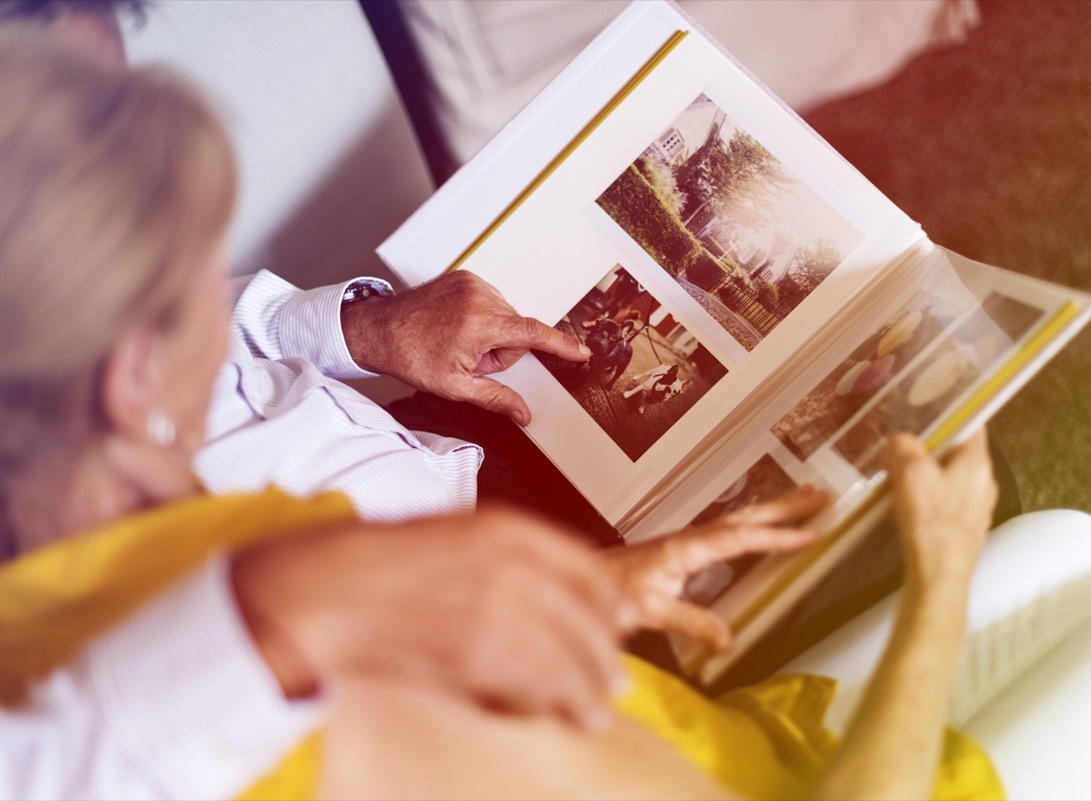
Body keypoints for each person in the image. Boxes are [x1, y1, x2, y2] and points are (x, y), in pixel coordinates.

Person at [0, 29, 996, 800]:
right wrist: (943, 582)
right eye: (187, 293)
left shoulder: (181, 606)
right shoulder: (289, 595)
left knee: (1052, 557)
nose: (223, 317)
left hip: (578, 648)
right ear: (132, 374)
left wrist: (587, 590)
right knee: (1065, 567)